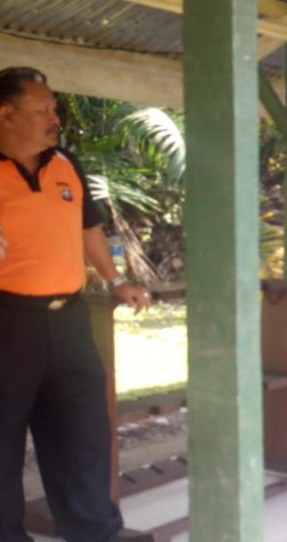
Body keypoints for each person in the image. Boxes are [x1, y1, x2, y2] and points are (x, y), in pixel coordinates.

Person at [0, 67, 149, 542]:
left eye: (54, 109)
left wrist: (114, 279)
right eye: (42, 109)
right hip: (7, 323)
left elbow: (89, 228)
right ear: (5, 114)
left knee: (83, 436)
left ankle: (95, 533)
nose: (54, 118)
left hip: (69, 321)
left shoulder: (66, 164)